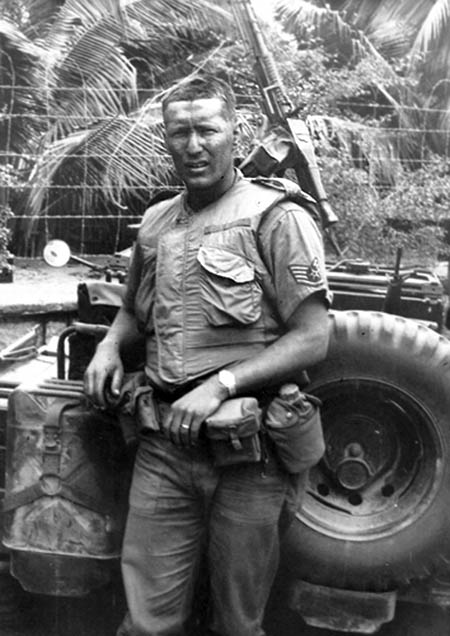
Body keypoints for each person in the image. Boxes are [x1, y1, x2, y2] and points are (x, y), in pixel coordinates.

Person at [84, 74, 330, 636]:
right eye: (180, 133)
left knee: (237, 624)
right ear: (165, 139)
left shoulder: (278, 216)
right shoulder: (156, 222)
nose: (194, 146)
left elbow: (313, 336)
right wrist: (107, 348)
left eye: (207, 130)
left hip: (249, 454)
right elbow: (131, 312)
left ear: (234, 131)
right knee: (147, 622)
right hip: (164, 446)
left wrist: (220, 385)